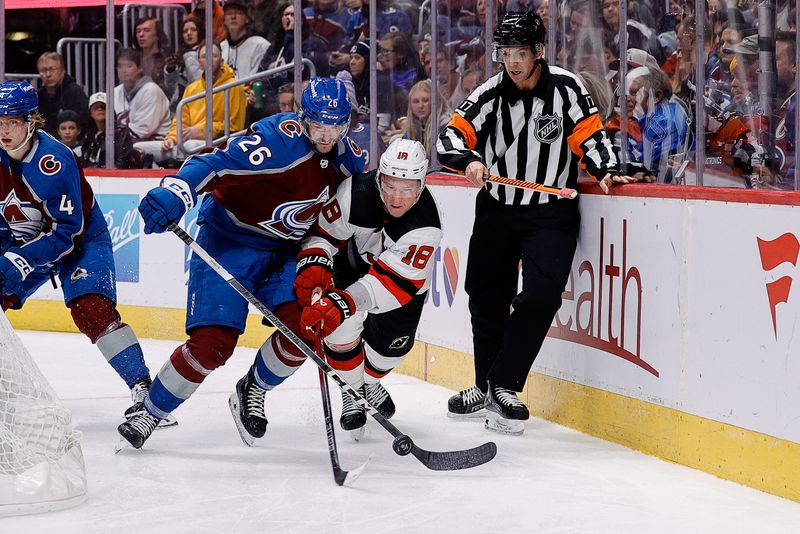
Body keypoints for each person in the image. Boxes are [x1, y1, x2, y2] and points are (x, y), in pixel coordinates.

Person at [117, 77, 366, 449]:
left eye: (336, 126)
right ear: (303, 119)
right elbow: (213, 163)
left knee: (306, 329)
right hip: (230, 241)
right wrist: (178, 190)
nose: (327, 136)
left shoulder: (349, 162)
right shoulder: (277, 142)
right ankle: (151, 412)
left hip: (286, 252)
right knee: (212, 344)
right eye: (318, 125)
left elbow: (346, 217)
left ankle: (253, 388)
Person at [437, 11, 628, 435]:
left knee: (541, 294)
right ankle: (487, 384)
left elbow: (590, 136)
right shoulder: (490, 93)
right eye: (506, 53)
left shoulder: (567, 87)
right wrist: (468, 160)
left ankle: (501, 383)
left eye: (521, 53)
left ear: (538, 52)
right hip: (497, 209)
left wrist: (606, 169)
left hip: (549, 213)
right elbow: (449, 136)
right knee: (484, 298)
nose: (514, 62)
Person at [236, 138, 441, 436]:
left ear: (420, 186)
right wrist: (315, 265)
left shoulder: (426, 226)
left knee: (388, 356)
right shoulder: (355, 192)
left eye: (407, 189)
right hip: (348, 269)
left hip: (399, 290)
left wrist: (344, 303)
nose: (397, 198)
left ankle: (365, 384)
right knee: (340, 331)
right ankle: (352, 392)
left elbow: (388, 284)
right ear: (380, 178)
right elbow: (322, 235)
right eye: (390, 186)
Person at [0, 80, 167, 425]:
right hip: (27, 241)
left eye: (12, 121)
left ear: (32, 121)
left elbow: (67, 232)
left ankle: (144, 391)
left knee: (91, 310)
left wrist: (20, 258)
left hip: (81, 242)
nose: (4, 130)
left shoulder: (54, 161)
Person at [134, 42, 246, 164]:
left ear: (221, 60)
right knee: (139, 148)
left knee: (189, 146)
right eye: (204, 57)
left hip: (218, 144)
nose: (209, 60)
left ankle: (178, 167)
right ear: (199, 62)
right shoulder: (192, 88)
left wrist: (201, 130)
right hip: (185, 144)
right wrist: (171, 138)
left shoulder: (234, 86)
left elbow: (234, 127)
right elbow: (181, 121)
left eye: (213, 56)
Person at [113, 48, 172, 143]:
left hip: (158, 142)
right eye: (120, 66)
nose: (123, 71)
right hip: (130, 141)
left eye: (128, 66)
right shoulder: (115, 92)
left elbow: (143, 131)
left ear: (139, 68)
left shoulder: (151, 90)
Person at [35, 52, 89, 137]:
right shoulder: (38, 96)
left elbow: (83, 123)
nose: (48, 74)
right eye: (44, 70)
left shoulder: (75, 92)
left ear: (62, 71)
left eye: (52, 69)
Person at [81, 92, 138, 169]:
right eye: (96, 107)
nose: (100, 109)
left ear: (111, 111)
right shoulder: (88, 136)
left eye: (103, 107)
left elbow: (121, 164)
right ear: (91, 113)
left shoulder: (121, 133)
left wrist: (96, 169)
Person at [220, 0, 271, 79]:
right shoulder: (221, 47)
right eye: (229, 13)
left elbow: (257, 80)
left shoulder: (260, 45)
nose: (233, 17)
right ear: (224, 20)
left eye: (238, 13)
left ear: (247, 18)